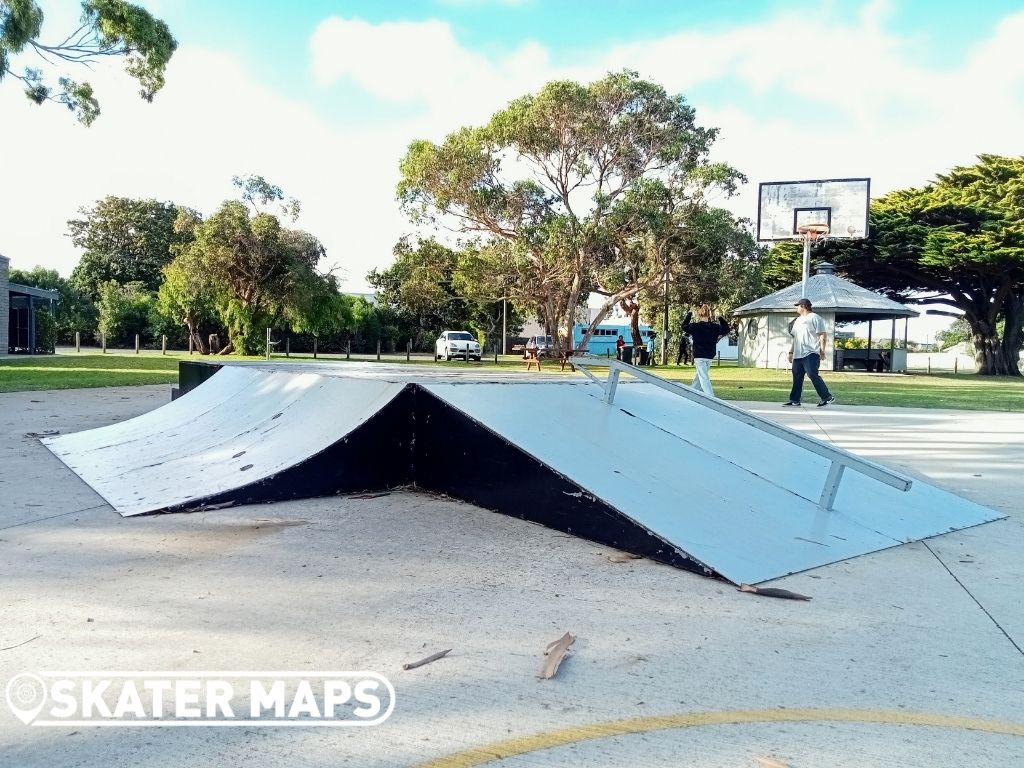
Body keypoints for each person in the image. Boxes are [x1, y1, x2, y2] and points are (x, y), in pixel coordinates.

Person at [784, 298, 835, 407]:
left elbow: (822, 335)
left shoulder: (815, 318)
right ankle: (795, 400)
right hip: (798, 354)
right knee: (797, 377)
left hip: (811, 353)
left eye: (797, 306)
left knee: (812, 374)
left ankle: (827, 397)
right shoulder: (798, 320)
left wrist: (822, 351)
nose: (796, 308)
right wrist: (791, 352)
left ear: (803, 306)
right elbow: (795, 338)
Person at [682, 304, 729, 396]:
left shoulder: (695, 326)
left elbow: (684, 326)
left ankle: (711, 397)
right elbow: (726, 329)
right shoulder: (715, 327)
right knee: (699, 377)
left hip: (699, 356)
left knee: (703, 377)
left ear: (699, 315)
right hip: (710, 355)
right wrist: (720, 317)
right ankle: (691, 393)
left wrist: (689, 314)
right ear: (710, 315)